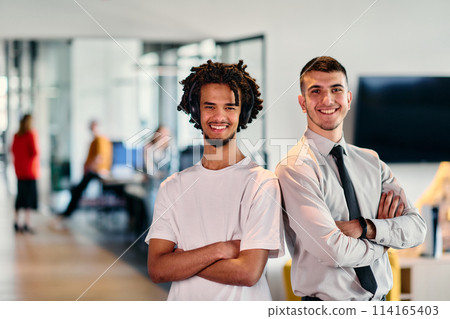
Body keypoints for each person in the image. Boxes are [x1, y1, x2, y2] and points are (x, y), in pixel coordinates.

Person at [276, 56, 426, 301]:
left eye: (336, 89)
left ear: (348, 98)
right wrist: (384, 241)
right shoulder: (295, 168)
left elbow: (417, 229)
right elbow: (333, 252)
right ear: (303, 103)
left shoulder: (372, 162)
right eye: (316, 91)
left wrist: (365, 228)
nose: (327, 100)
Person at [146, 60, 285, 300]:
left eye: (230, 107)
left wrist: (182, 260)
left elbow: (248, 272)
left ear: (243, 112)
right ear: (196, 110)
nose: (219, 116)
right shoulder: (172, 187)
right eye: (209, 106)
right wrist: (223, 249)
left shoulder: (262, 183)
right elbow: (158, 269)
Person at [57, 120, 112, 221]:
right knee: (77, 188)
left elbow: (100, 158)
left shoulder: (101, 140)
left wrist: (89, 167)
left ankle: (68, 212)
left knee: (78, 189)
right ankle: (68, 211)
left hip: (98, 171)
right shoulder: (94, 141)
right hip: (93, 170)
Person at [11, 114, 40, 233]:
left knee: (20, 196)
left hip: (19, 171)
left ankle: (17, 221)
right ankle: (27, 222)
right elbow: (35, 152)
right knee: (29, 198)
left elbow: (12, 150)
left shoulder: (16, 136)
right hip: (30, 171)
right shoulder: (31, 134)